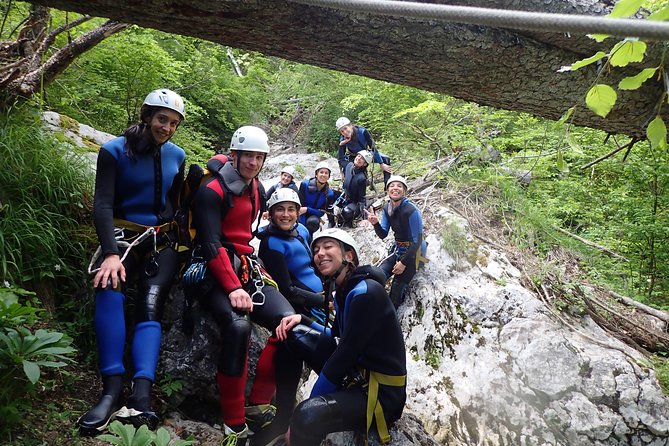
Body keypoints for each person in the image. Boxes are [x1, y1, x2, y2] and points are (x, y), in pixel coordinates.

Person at [77, 88, 186, 436]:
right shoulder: (113, 151)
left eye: (173, 123)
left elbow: (175, 204)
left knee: (150, 304)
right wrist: (110, 252)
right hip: (123, 238)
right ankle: (110, 391)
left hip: (161, 240)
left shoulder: (177, 156)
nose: (166, 128)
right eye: (161, 119)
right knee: (109, 286)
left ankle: (141, 395)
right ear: (147, 116)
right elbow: (103, 205)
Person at [188, 126, 296, 446]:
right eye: (248, 155)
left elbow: (247, 237)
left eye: (259, 157)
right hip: (213, 268)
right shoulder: (212, 191)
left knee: (288, 323)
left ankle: (258, 403)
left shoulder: (257, 188)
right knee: (238, 328)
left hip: (247, 266)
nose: (253, 162)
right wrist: (234, 287)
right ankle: (234, 423)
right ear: (234, 155)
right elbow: (210, 243)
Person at [274, 228, 407, 446]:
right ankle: (282, 415)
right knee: (294, 334)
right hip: (357, 376)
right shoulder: (346, 290)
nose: (320, 254)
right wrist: (303, 319)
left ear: (348, 255)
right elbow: (335, 336)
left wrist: (302, 415)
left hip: (380, 396)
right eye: (316, 250)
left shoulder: (366, 293)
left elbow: (342, 356)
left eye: (328, 247)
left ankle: (293, 427)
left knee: (307, 415)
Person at [250, 188, 330, 444]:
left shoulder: (303, 231)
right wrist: (322, 300)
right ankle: (283, 418)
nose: (286, 215)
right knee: (290, 348)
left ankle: (289, 418)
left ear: (298, 212)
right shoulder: (271, 243)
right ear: (271, 214)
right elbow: (286, 289)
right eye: (280, 210)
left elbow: (313, 266)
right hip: (305, 306)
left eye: (291, 209)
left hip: (321, 301)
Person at [366, 175, 428, 309]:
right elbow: (383, 234)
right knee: (377, 276)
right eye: (392, 186)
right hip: (399, 249)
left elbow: (417, 241)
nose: (395, 188)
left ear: (404, 191)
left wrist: (403, 263)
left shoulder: (411, 210)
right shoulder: (387, 208)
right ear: (387, 190)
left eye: (399, 186)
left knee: (395, 294)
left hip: (413, 252)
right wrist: (375, 223)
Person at [336, 116, 392, 185]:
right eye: (342, 131)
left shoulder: (362, 131)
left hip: (366, 154)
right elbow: (341, 159)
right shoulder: (342, 140)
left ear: (350, 126)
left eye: (345, 128)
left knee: (385, 159)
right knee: (350, 174)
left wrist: (381, 163)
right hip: (354, 157)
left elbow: (373, 148)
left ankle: (388, 186)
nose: (345, 132)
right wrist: (349, 167)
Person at [298, 161, 335, 234]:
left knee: (313, 222)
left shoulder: (329, 194)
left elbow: (322, 212)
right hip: (299, 214)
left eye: (326, 173)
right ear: (316, 174)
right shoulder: (305, 185)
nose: (323, 175)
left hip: (312, 217)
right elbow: (299, 207)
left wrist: (307, 209)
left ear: (328, 176)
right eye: (321, 172)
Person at [336, 150, 371, 228]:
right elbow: (340, 159)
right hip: (345, 196)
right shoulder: (349, 166)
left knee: (346, 212)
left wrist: (364, 217)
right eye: (358, 156)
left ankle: (348, 222)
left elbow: (362, 198)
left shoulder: (361, 178)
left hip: (354, 202)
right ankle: (331, 222)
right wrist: (342, 145)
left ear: (365, 164)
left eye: (362, 159)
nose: (359, 159)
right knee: (330, 195)